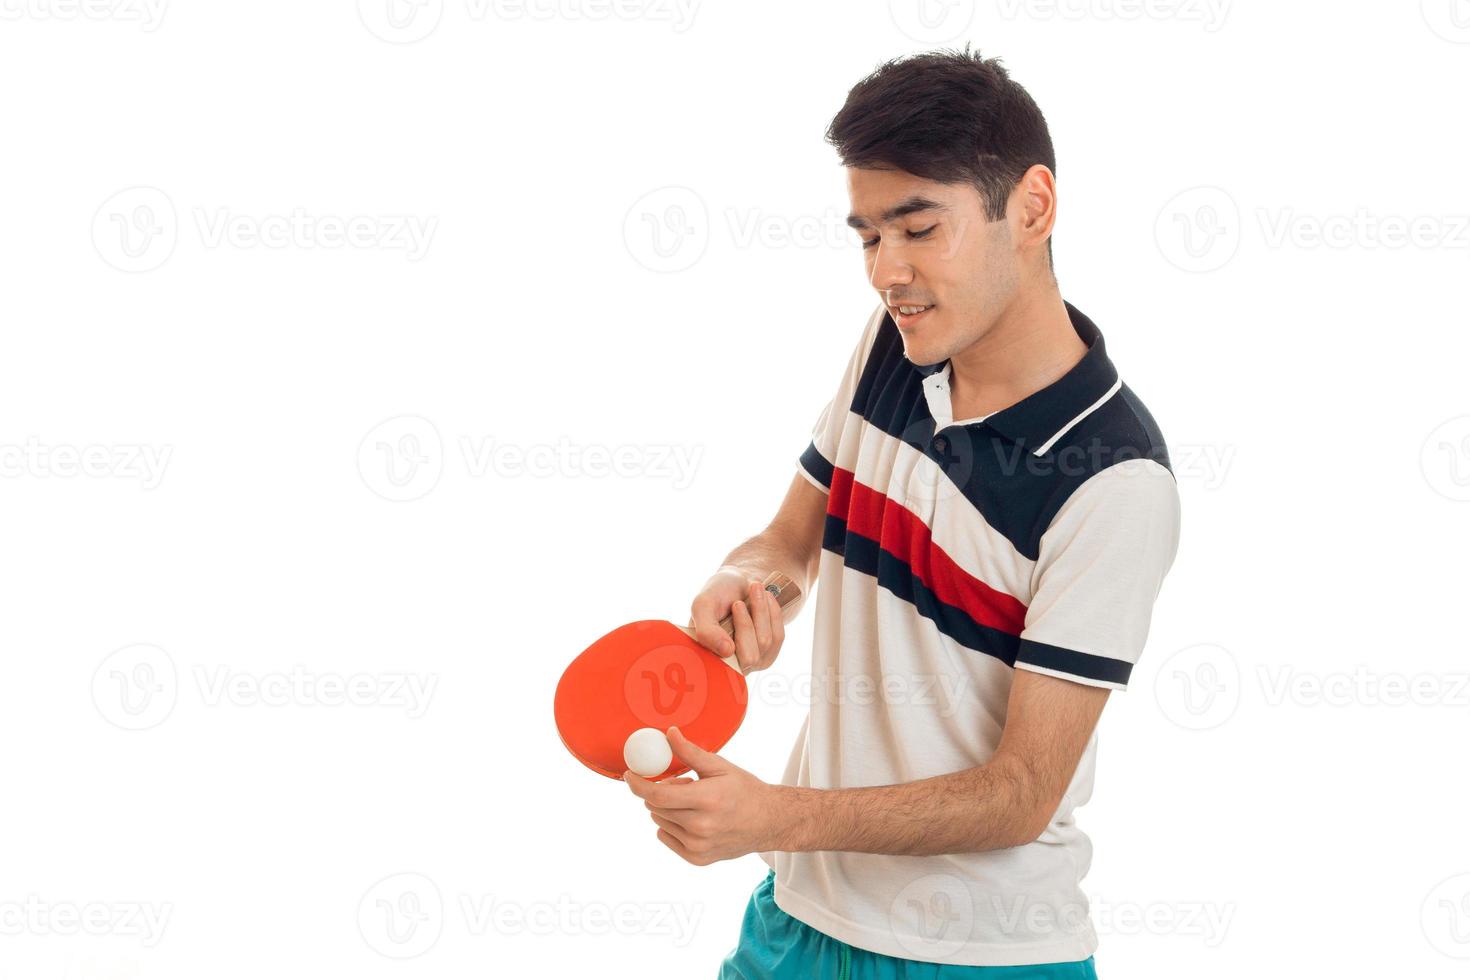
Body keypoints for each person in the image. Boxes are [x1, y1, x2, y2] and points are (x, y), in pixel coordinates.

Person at [622, 45, 1182, 978]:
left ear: (1033, 207)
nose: (888, 271)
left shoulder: (1116, 482)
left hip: (979, 957)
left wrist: (774, 813)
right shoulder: (894, 345)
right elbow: (788, 544)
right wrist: (748, 584)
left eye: (920, 229)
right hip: (798, 915)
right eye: (869, 236)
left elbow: (1019, 795)